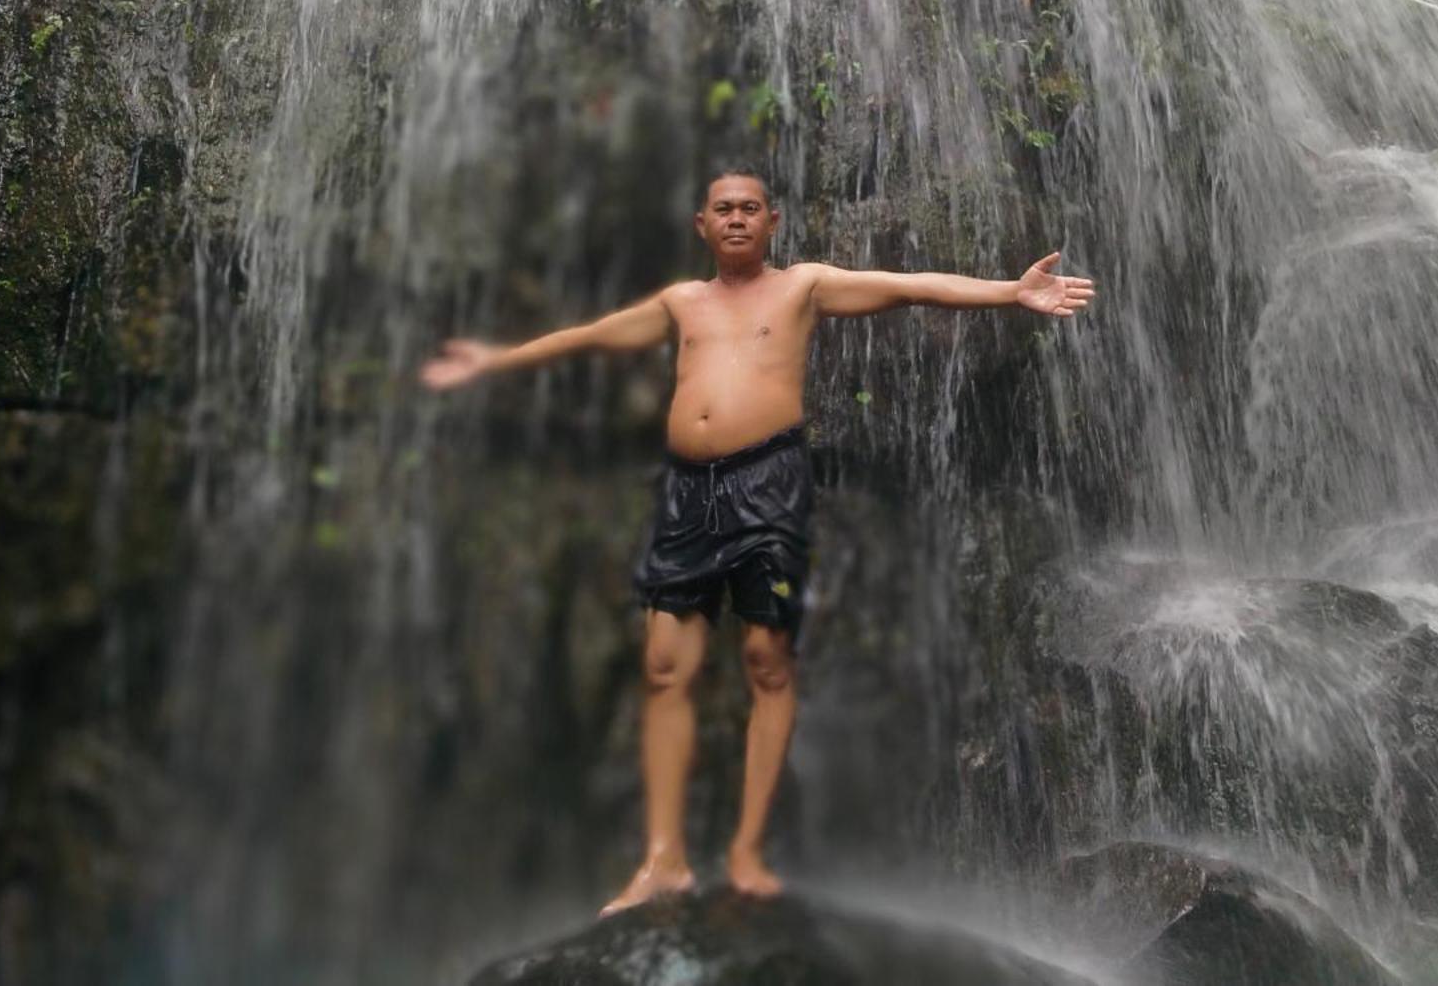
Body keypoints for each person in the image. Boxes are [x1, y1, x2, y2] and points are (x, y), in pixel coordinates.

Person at [419, 169, 1094, 913]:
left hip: (769, 485)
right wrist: (494, 361)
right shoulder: (682, 302)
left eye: (749, 209)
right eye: (723, 210)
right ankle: (663, 859)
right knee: (665, 667)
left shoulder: (804, 286)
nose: (736, 220)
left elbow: (910, 286)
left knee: (767, 660)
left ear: (772, 222)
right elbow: (591, 338)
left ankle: (745, 850)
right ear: (700, 225)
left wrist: (1010, 291)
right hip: (686, 494)